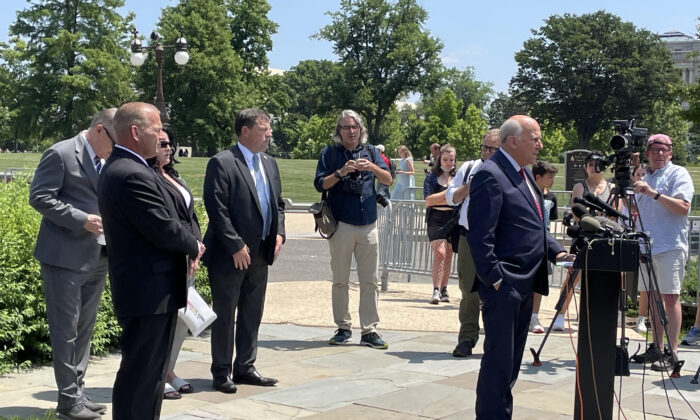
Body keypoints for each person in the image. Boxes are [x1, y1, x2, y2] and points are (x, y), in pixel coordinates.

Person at [97, 102, 205, 420]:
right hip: (147, 291)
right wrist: (194, 244)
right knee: (141, 377)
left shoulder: (137, 167)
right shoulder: (129, 173)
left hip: (155, 289)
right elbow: (163, 226)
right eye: (156, 129)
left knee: (152, 377)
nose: (161, 136)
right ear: (134, 132)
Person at [467, 115, 572, 419]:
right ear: (513, 141)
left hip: (525, 283)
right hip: (505, 286)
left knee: (510, 364)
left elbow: (535, 225)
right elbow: (480, 235)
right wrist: (495, 279)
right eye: (535, 139)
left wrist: (558, 253)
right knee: (499, 365)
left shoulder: (523, 174)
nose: (540, 145)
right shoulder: (491, 174)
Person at [29, 108, 116, 420]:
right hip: (64, 258)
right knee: (65, 332)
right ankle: (68, 402)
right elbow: (39, 197)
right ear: (99, 130)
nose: (116, 149)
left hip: (97, 256)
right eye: (114, 141)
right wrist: (81, 220)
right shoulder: (61, 153)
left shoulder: (106, 159)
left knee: (83, 331)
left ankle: (77, 392)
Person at [203, 108, 286, 394]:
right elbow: (217, 208)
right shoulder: (222, 162)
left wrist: (279, 233)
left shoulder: (270, 163)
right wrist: (235, 244)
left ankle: (245, 367)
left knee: (252, 312)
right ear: (245, 131)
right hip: (230, 255)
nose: (269, 135)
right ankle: (222, 371)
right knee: (225, 314)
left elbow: (278, 204)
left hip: (261, 254)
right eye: (264, 130)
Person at [314, 109, 393, 349]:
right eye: (346, 127)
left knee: (370, 280)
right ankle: (343, 327)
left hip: (368, 223)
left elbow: (388, 179)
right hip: (341, 225)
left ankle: (369, 330)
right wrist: (341, 172)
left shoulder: (371, 153)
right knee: (340, 279)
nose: (351, 131)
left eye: (355, 127)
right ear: (339, 131)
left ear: (361, 130)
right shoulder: (330, 153)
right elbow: (320, 184)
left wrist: (371, 168)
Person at [147, 127, 202, 400]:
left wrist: (197, 248)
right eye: (162, 144)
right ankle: (157, 375)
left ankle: (168, 370)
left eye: (170, 144)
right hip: (168, 257)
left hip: (187, 256)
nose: (169, 148)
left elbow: (190, 216)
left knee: (182, 322)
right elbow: (165, 223)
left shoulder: (174, 175)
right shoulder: (149, 178)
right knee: (166, 322)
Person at [632, 133, 694, 371]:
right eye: (654, 149)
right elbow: (633, 207)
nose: (659, 153)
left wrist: (653, 193)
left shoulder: (678, 174)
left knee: (670, 298)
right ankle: (656, 347)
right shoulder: (645, 175)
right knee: (654, 299)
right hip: (646, 246)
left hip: (669, 245)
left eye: (664, 149)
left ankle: (672, 351)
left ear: (671, 152)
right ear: (647, 153)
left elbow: (682, 208)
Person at [445, 129, 500, 357]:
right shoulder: (469, 168)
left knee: (498, 290)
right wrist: (470, 186)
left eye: (492, 148)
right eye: (484, 147)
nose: (486, 152)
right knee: (468, 290)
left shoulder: (508, 171)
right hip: (469, 237)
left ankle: (496, 341)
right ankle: (467, 338)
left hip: (498, 240)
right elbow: (451, 198)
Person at [550, 151, 614, 331]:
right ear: (585, 167)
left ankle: (598, 316)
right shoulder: (580, 186)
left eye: (598, 164)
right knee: (573, 276)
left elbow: (614, 214)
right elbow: (578, 212)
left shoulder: (611, 187)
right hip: (584, 236)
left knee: (601, 278)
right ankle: (560, 314)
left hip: (604, 238)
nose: (594, 168)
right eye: (590, 164)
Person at [423, 144, 457, 304]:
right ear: (439, 159)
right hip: (435, 218)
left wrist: (446, 197)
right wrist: (448, 194)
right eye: (445, 159)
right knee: (440, 252)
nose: (449, 162)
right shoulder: (431, 177)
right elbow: (429, 201)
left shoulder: (457, 177)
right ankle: (435, 289)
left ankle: (444, 288)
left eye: (451, 159)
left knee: (449, 253)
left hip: (452, 218)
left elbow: (459, 199)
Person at [528, 160, 559, 334]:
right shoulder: (527, 194)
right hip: (528, 239)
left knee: (540, 280)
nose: (553, 180)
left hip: (545, 239)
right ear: (538, 177)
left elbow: (552, 220)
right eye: (550, 177)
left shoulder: (551, 197)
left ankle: (534, 315)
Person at [630, 163, 649, 334]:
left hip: (645, 241)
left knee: (647, 285)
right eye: (638, 174)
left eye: (644, 174)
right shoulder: (628, 195)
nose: (641, 177)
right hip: (629, 239)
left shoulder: (648, 193)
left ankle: (642, 318)